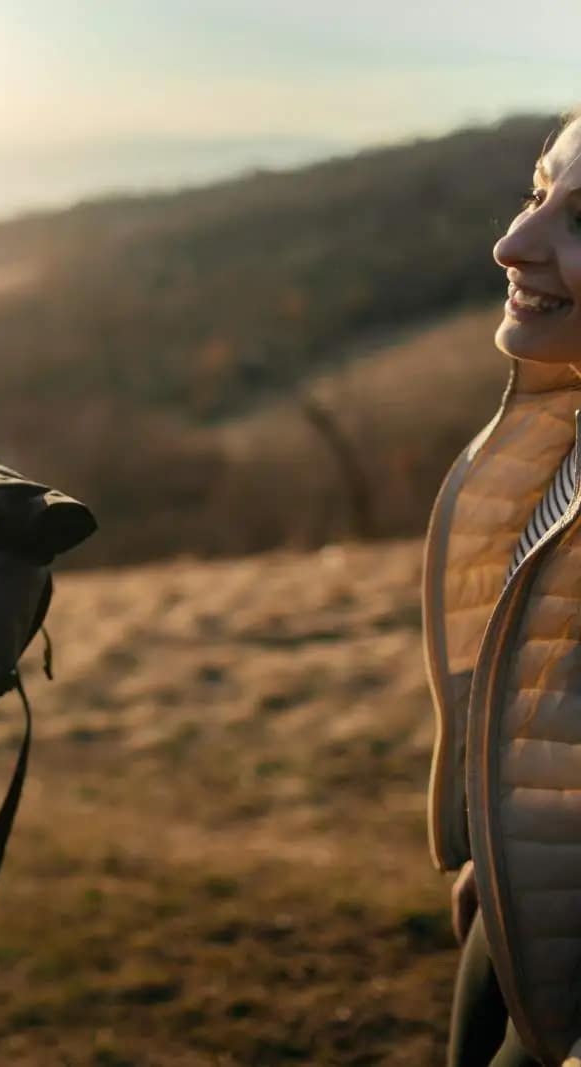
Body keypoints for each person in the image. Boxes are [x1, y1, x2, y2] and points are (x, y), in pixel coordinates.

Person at [426, 110, 581, 1067]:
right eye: (539, 191)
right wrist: (506, 847)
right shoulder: (568, 425)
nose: (512, 241)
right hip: (536, 909)